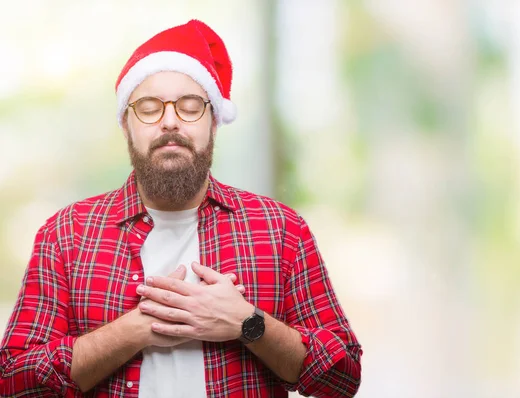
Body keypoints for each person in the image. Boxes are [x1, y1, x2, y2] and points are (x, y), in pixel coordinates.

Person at [0, 19, 362, 398]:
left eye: (190, 107)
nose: (170, 121)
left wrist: (247, 323)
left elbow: (342, 376)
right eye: (149, 108)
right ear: (126, 125)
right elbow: (14, 381)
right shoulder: (67, 234)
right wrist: (134, 330)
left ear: (214, 123)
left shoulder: (281, 229)